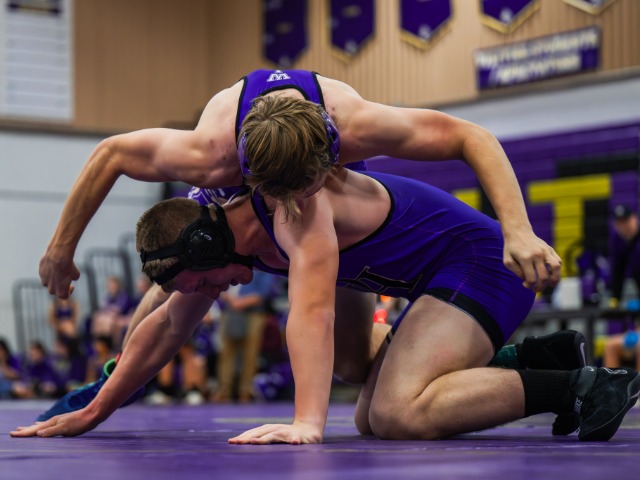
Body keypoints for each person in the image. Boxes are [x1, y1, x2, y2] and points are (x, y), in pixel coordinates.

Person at [13, 168, 639, 443]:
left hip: (478, 263)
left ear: (206, 249)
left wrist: (306, 425)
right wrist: (97, 404)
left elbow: (309, 316)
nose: (209, 295)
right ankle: (537, 358)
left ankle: (583, 386)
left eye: (202, 284)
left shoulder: (288, 217)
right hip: (427, 278)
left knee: (396, 415)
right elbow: (162, 324)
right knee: (366, 405)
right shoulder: (221, 240)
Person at [40, 69, 559, 302]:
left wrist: (518, 229)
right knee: (176, 288)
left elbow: (471, 136)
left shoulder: (356, 127)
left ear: (333, 159)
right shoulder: (210, 157)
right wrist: (60, 250)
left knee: (349, 358)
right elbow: (110, 154)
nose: (291, 205)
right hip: (247, 155)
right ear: (247, 177)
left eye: (302, 193)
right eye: (279, 197)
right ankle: (114, 378)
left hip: (319, 152)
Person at [212, 270, 274, 403]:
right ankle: (224, 391)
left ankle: (245, 392)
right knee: (226, 352)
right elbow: (219, 284)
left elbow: (263, 292)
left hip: (254, 314)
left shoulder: (263, 266)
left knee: (250, 354)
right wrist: (231, 300)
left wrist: (240, 303)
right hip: (231, 311)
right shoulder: (231, 263)